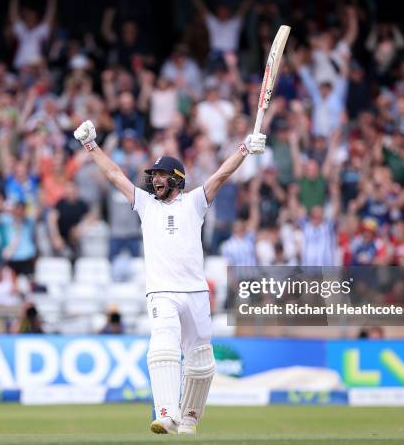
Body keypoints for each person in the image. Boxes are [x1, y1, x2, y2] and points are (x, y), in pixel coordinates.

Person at [73, 119, 265, 435]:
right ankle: (166, 413)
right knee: (162, 345)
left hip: (196, 292)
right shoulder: (145, 204)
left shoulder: (195, 202)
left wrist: (244, 148)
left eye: (161, 175)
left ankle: (188, 419)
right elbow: (114, 174)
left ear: (176, 179)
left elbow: (221, 174)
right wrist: (90, 145)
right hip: (162, 292)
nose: (155, 180)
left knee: (201, 362)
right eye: (154, 176)